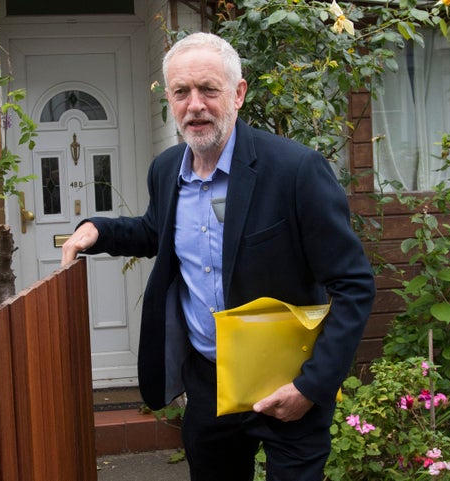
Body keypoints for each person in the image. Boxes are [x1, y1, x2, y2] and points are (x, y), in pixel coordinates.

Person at [61, 32, 376, 481]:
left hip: (288, 378)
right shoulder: (167, 169)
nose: (195, 105)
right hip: (209, 383)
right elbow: (157, 232)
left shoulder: (295, 170)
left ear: (238, 94)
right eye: (181, 92)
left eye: (209, 89)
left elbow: (353, 284)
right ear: (169, 100)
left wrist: (312, 386)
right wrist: (99, 230)